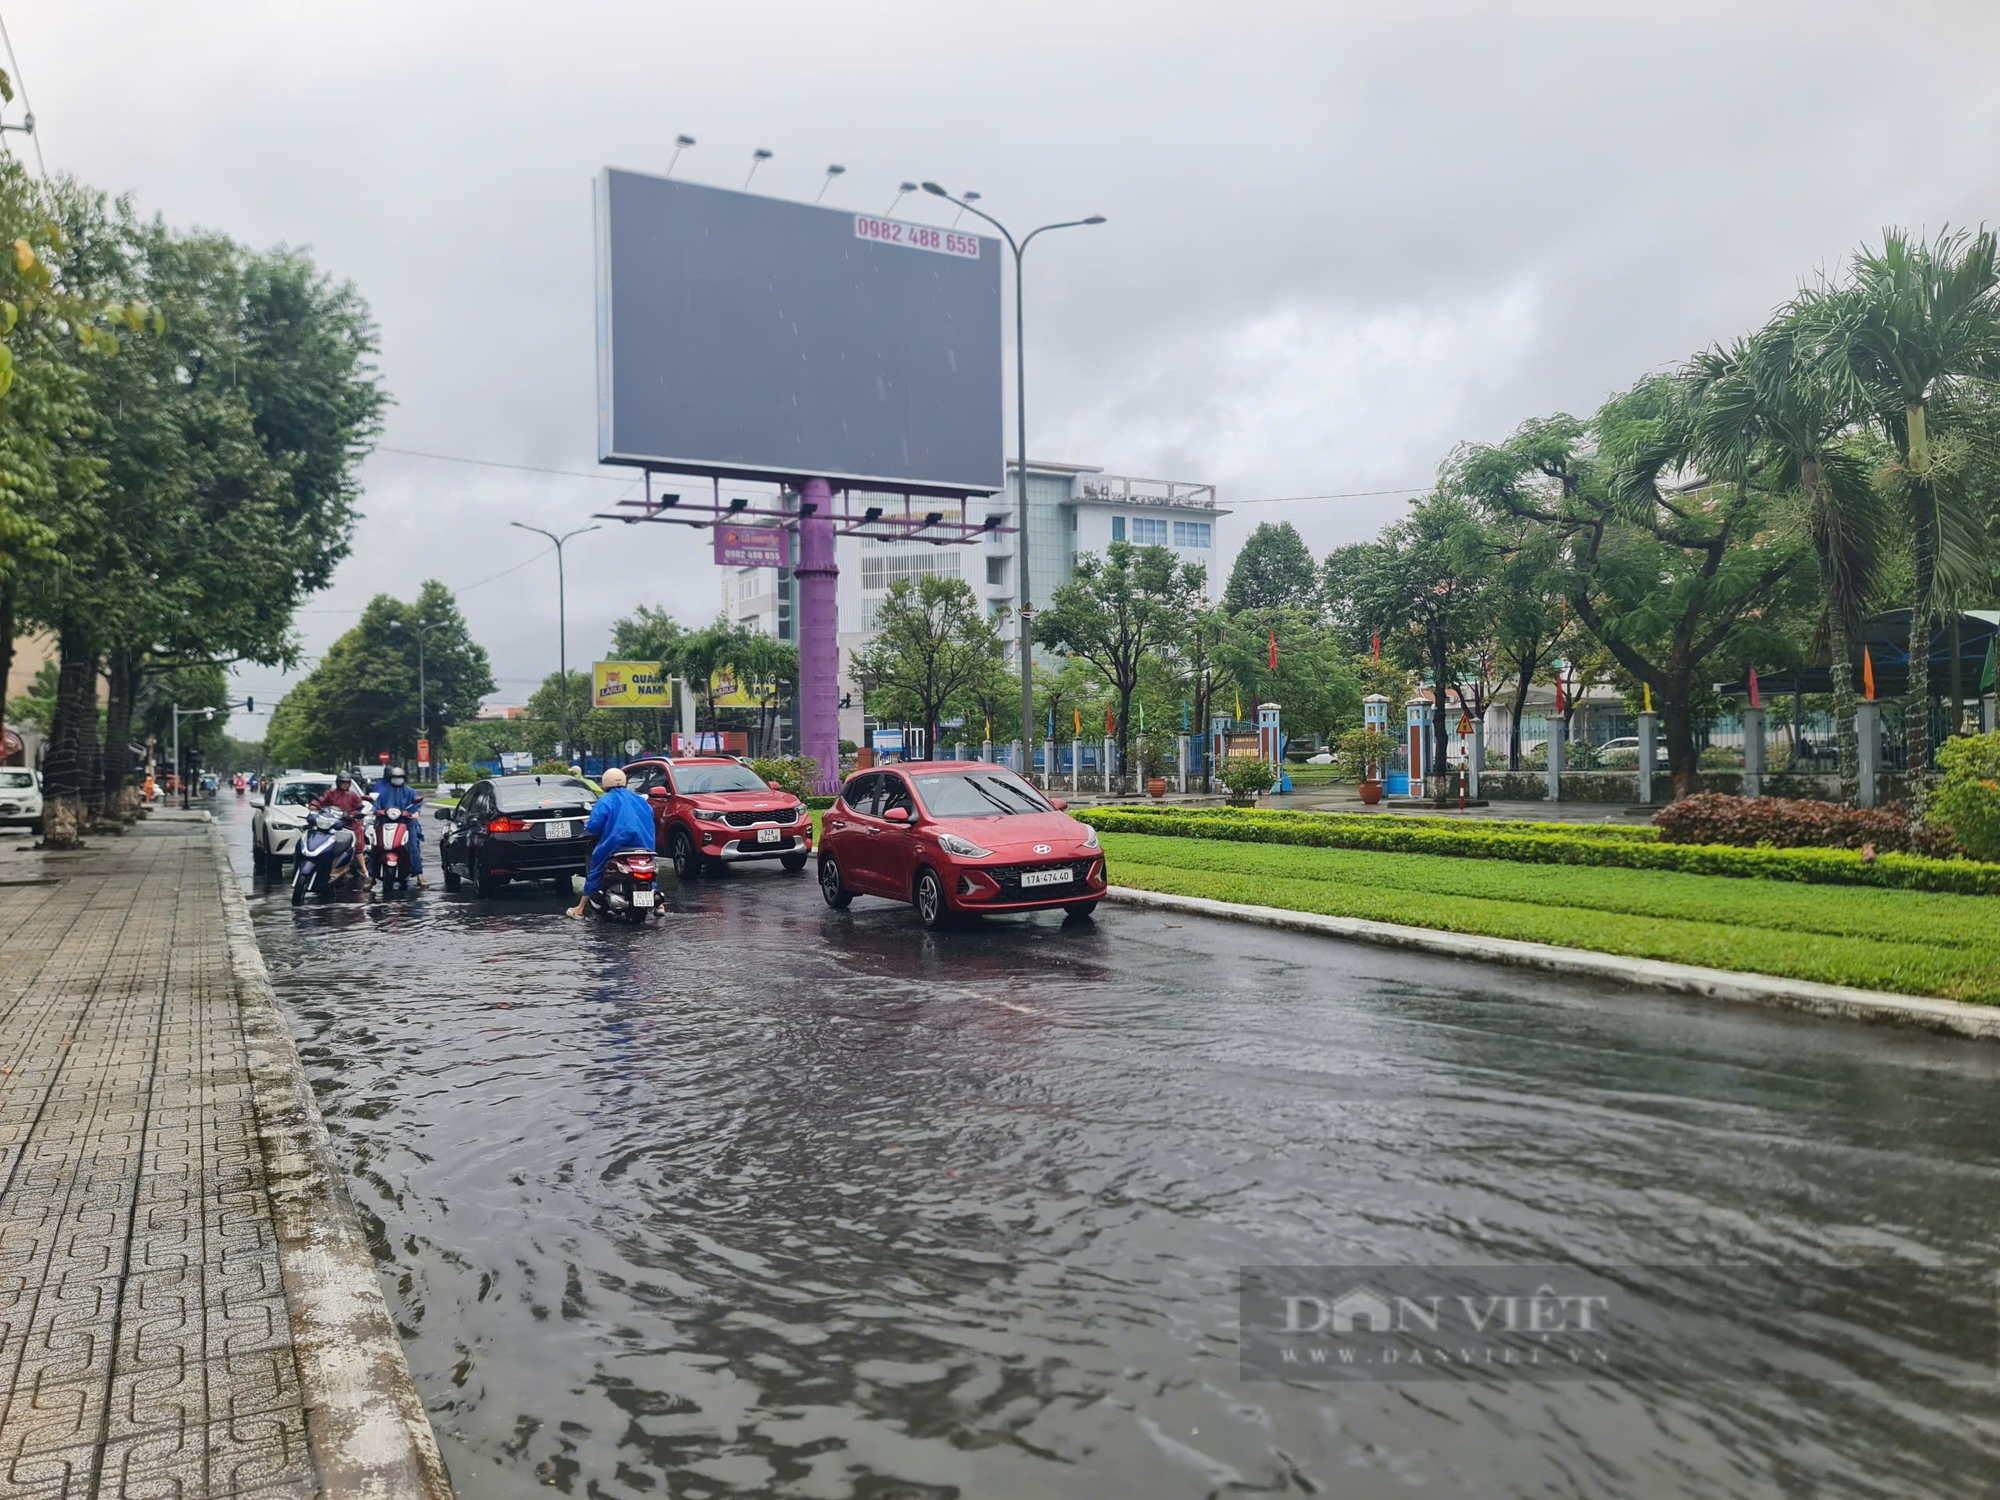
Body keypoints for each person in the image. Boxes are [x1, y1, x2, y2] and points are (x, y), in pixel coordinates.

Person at [569, 766, 655, 918]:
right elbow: (650, 816)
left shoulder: (605, 801)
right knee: (650, 870)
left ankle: (580, 909)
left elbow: (594, 826)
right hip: (644, 844)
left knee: (596, 868)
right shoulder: (640, 800)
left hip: (615, 845)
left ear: (605, 782)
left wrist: (587, 823)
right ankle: (659, 906)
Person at [369, 765, 428, 889]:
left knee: (413, 845)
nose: (397, 780)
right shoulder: (384, 792)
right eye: (395, 777)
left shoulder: (410, 791)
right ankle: (371, 877)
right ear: (390, 778)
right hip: (385, 821)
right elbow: (377, 805)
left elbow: (416, 804)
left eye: (400, 777)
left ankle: (419, 874)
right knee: (375, 846)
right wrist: (374, 811)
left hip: (406, 822)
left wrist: (415, 813)